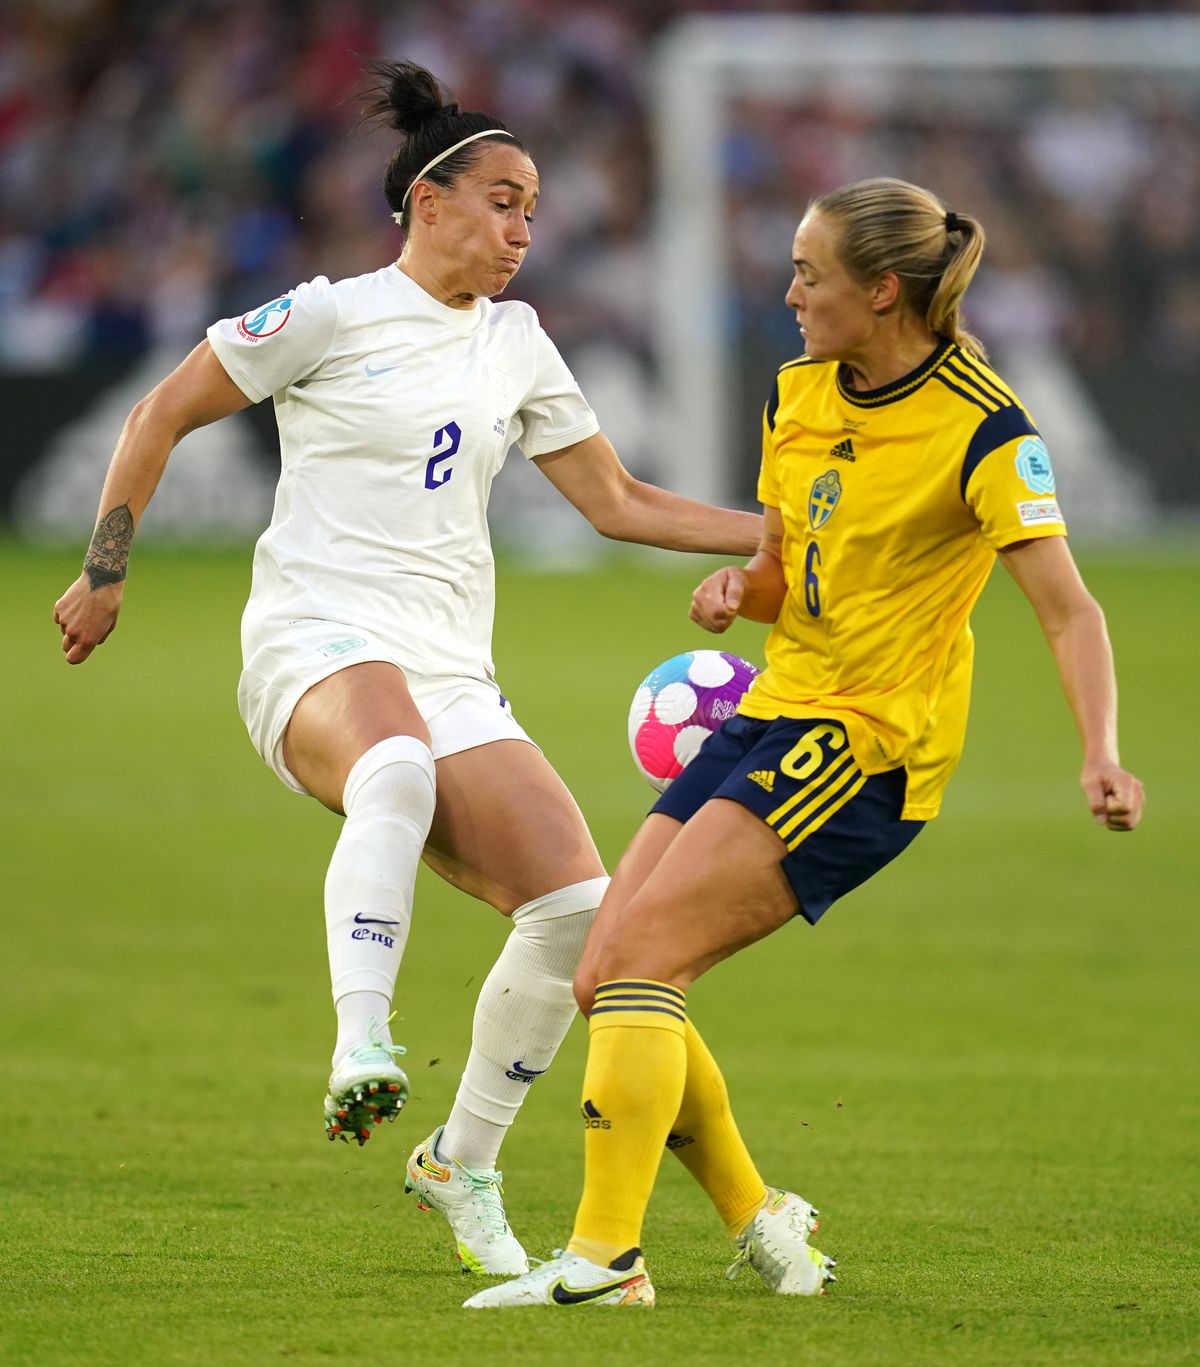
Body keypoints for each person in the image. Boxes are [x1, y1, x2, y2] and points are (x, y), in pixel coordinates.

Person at [51, 60, 760, 1278]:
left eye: (532, 209)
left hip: (449, 661)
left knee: (583, 913)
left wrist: (785, 535)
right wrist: (106, 568)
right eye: (501, 200)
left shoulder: (519, 342)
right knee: (395, 763)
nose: (522, 230)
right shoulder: (326, 315)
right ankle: (362, 1042)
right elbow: (158, 412)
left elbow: (619, 499)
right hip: (313, 638)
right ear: (427, 200)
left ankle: (461, 1157)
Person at [463, 177, 1146, 1310]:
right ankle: (759, 1216)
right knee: (602, 972)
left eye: (809, 275)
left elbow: (1070, 608)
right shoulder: (800, 392)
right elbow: (794, 574)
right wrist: (744, 587)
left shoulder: (983, 426)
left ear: (883, 291)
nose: (787, 293)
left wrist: (1101, 752)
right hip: (777, 706)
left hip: (870, 744)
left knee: (642, 965)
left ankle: (605, 1256)